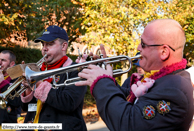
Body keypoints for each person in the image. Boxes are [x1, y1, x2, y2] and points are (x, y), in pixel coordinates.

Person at [75, 19, 194, 130]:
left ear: (163, 52)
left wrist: (101, 81)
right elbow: (128, 100)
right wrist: (102, 73)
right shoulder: (164, 81)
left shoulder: (174, 88)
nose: (138, 47)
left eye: (143, 44)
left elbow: (128, 122)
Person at [21, 25, 87, 131]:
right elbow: (26, 108)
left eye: (50, 44)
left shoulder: (76, 70)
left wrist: (39, 84)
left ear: (64, 46)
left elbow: (69, 103)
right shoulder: (40, 70)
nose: (44, 48)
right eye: (43, 44)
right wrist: (28, 90)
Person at [0, 50, 22, 127]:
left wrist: (3, 83)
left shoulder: (18, 79)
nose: (0, 63)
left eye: (3, 60)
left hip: (7, 123)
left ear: (12, 64)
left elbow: (17, 102)